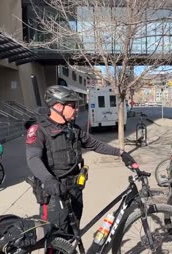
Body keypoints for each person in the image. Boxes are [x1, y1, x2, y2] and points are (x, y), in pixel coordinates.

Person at [25, 85, 137, 232]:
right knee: (55, 237)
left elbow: (95, 144)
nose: (77, 109)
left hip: (75, 188)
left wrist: (121, 152)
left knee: (73, 232)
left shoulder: (73, 129)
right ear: (58, 106)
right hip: (54, 192)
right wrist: (48, 179)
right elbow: (33, 158)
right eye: (72, 105)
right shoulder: (39, 130)